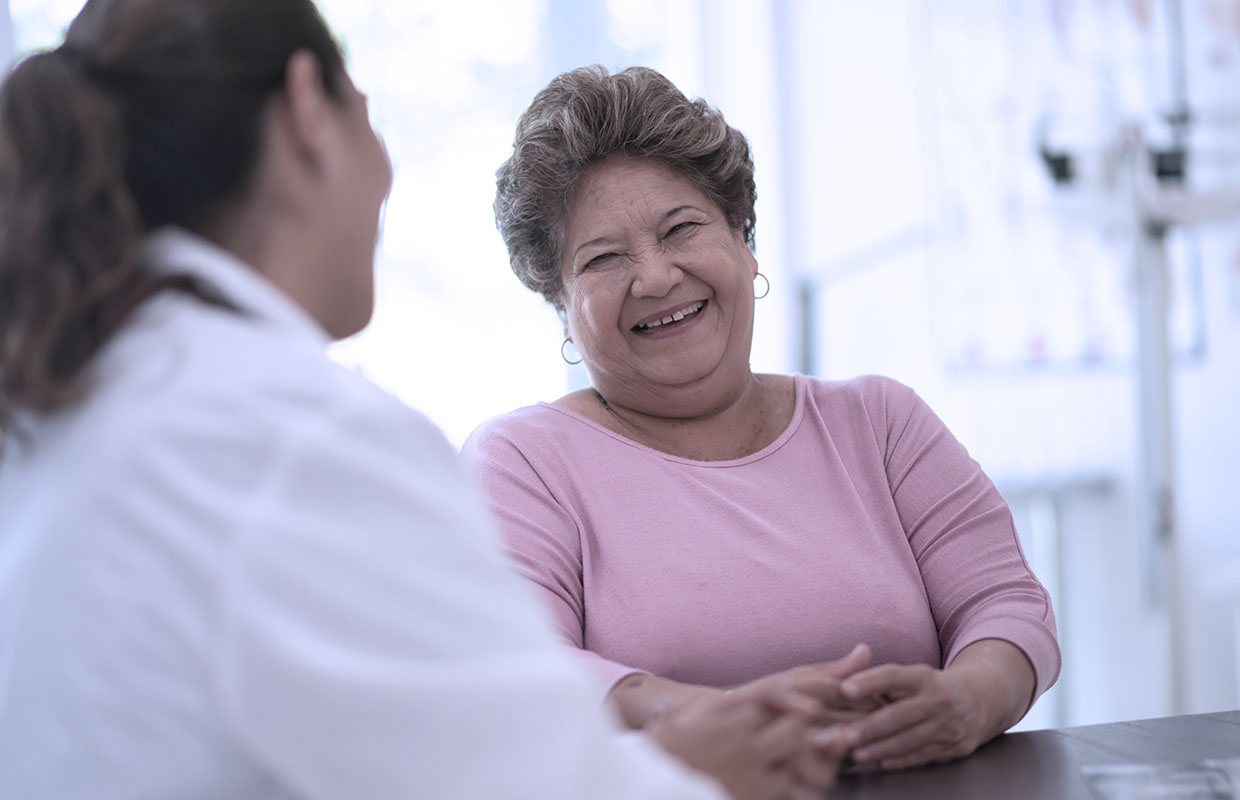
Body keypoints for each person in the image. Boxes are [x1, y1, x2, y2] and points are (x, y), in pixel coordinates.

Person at [0, 4, 850, 799]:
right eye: (367, 111)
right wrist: (688, 769)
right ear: (308, 111)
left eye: (681, 229)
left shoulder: (82, 397)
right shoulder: (292, 437)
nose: (384, 176)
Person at [462, 64, 1063, 772]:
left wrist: (970, 699)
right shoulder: (522, 460)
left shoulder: (880, 421)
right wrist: (697, 718)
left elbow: (1006, 604)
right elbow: (519, 666)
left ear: (744, 243)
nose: (655, 277)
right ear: (562, 306)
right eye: (603, 259)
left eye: (680, 229)